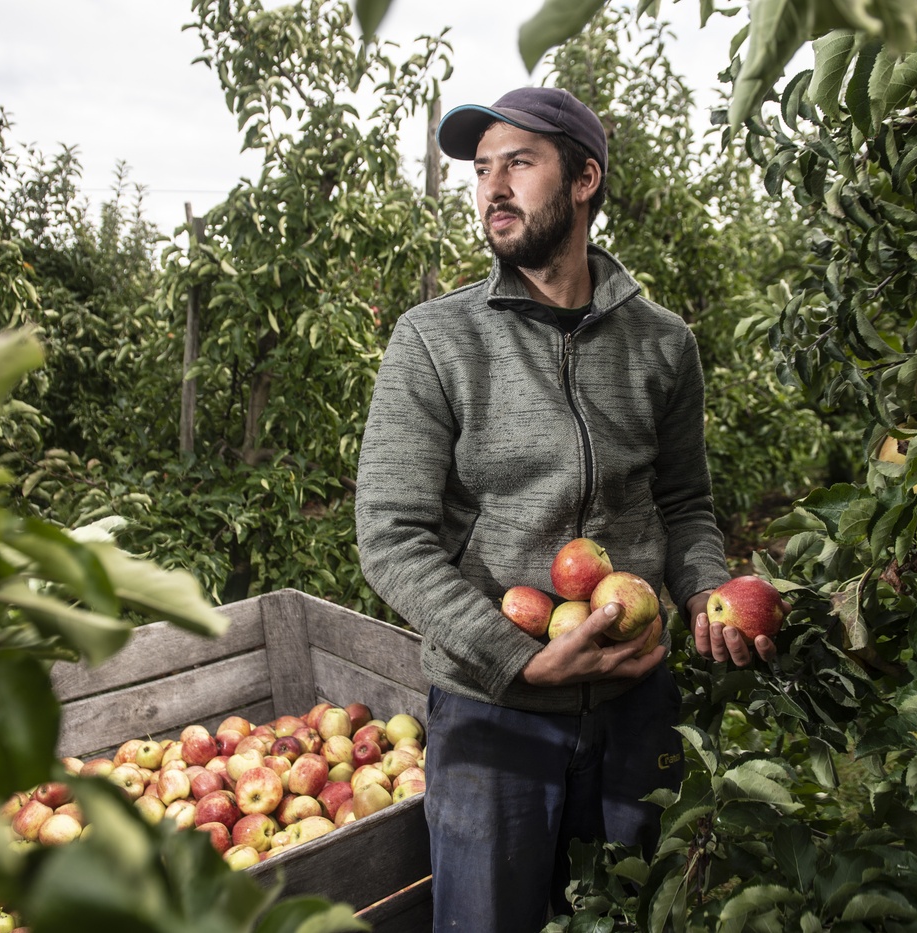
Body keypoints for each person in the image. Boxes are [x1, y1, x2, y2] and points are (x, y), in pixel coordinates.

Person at [354, 86, 774, 933]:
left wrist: (704, 592)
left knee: (631, 915)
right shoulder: (436, 339)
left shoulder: (663, 344)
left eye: (518, 163)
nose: (492, 188)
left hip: (634, 702)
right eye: (481, 170)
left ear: (584, 179)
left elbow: (686, 503)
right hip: (492, 715)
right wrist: (518, 659)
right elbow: (390, 536)